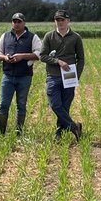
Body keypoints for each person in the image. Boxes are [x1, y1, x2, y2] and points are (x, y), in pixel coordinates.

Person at [39, 9, 86, 141]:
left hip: (70, 76)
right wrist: (57, 61)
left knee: (65, 106)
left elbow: (81, 59)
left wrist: (77, 75)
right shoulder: (49, 36)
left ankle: (59, 133)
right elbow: (42, 56)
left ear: (68, 21)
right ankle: (74, 126)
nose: (60, 22)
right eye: (57, 20)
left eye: (62, 19)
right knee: (55, 105)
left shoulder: (76, 37)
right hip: (53, 76)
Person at [0, 13, 42, 135]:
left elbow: (39, 54)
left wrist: (22, 56)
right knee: (3, 104)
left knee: (21, 105)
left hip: (24, 76)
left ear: (24, 23)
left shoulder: (33, 37)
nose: (16, 24)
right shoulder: (5, 36)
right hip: (8, 76)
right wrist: (5, 57)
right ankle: (0, 133)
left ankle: (18, 133)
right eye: (14, 21)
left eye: (19, 21)